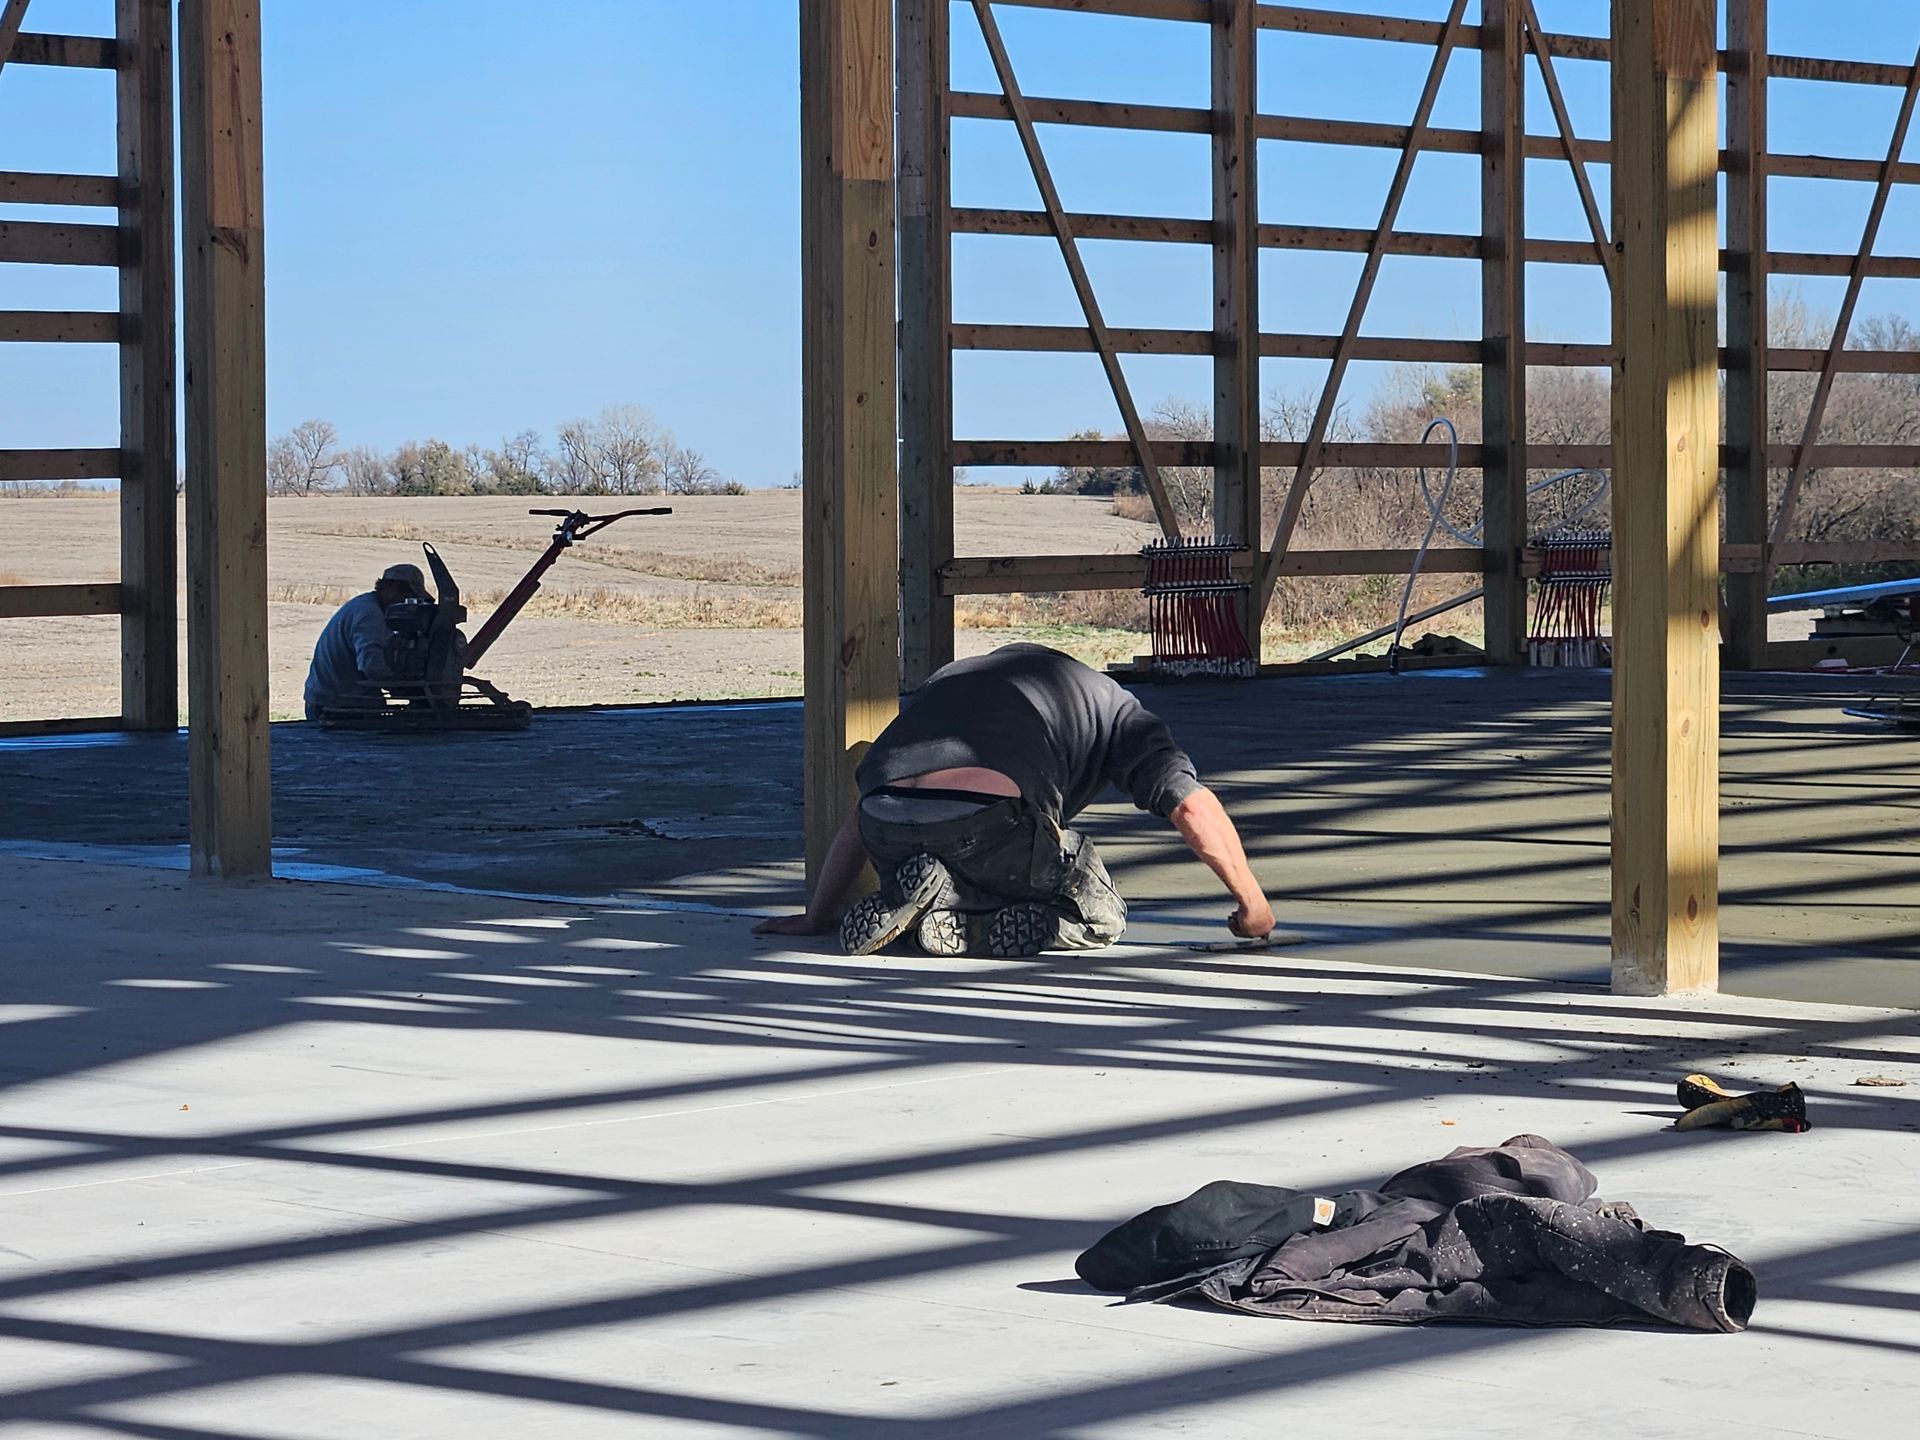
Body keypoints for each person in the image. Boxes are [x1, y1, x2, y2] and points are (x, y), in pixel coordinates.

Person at [755, 643, 1275, 957]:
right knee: (1098, 913)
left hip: (882, 820)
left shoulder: (951, 679)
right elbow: (1191, 806)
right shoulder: (1117, 709)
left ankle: (931, 899)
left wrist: (816, 915)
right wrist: (1252, 904)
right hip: (983, 821)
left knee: (972, 850)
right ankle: (966, 930)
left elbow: (854, 822)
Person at [302, 563, 427, 720]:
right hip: (336, 706)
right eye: (407, 597)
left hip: (339, 699)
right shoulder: (370, 614)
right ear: (391, 589)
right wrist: (408, 687)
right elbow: (372, 665)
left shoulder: (368, 606)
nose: (408, 604)